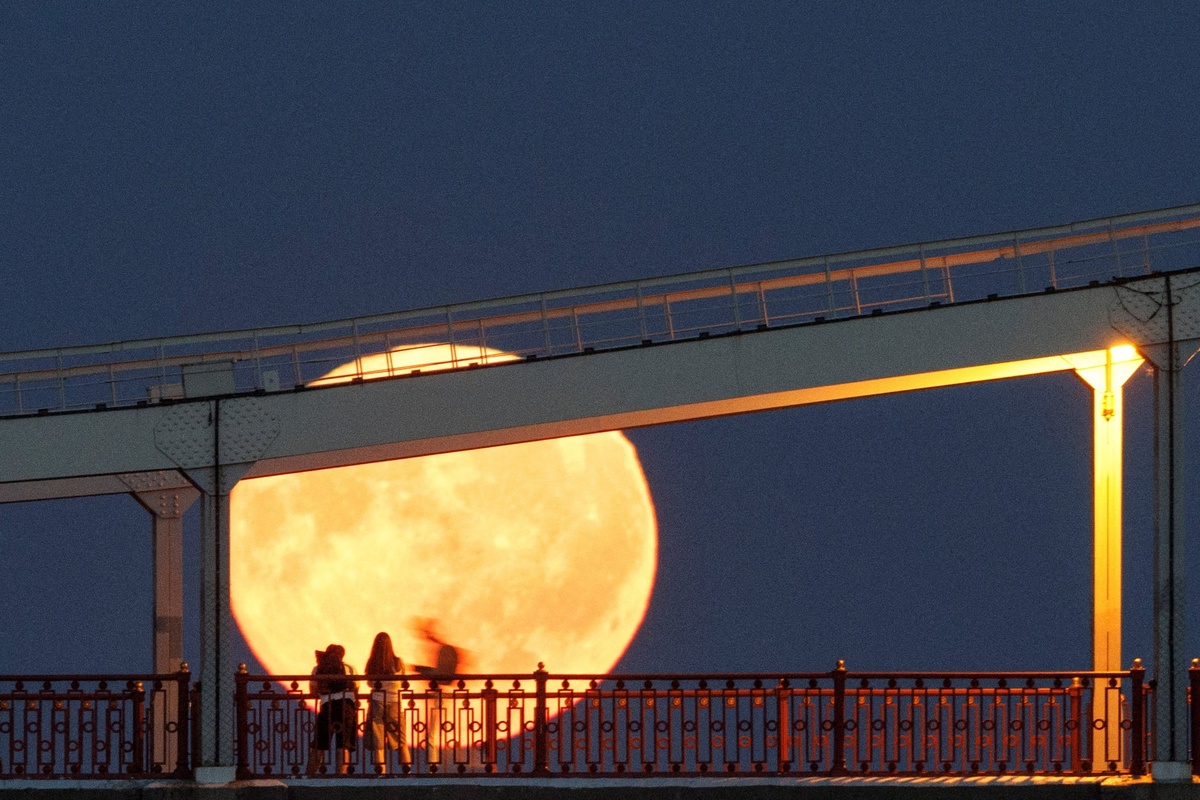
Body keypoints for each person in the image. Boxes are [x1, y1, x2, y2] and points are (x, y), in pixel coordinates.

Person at [411, 620, 461, 765]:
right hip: (439, 695)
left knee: (432, 733)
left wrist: (421, 669)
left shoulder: (447, 650)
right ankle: (435, 765)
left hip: (440, 695)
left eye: (426, 633)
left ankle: (433, 766)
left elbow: (444, 676)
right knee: (434, 732)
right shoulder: (446, 650)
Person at [306, 644, 359, 776]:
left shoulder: (318, 668)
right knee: (343, 745)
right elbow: (356, 687)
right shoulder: (350, 668)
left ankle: (309, 775)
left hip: (327, 707)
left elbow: (313, 690)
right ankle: (340, 776)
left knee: (319, 745)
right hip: (346, 707)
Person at [363, 632, 410, 773]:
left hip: (377, 702)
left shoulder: (372, 663)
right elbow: (402, 682)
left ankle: (381, 773)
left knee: (378, 741)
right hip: (395, 702)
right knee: (401, 740)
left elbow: (370, 683)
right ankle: (407, 772)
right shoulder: (398, 662)